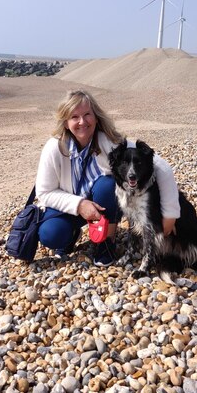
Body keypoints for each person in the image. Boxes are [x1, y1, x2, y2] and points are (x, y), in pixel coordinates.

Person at [35, 90, 181, 266]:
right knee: (51, 234)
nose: (82, 122)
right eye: (74, 117)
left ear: (96, 117)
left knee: (107, 185)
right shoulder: (54, 148)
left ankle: (105, 244)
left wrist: (170, 214)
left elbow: (162, 167)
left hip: (104, 205)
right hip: (69, 206)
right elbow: (44, 192)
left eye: (87, 114)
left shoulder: (110, 142)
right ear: (66, 123)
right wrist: (79, 205)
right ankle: (72, 233)